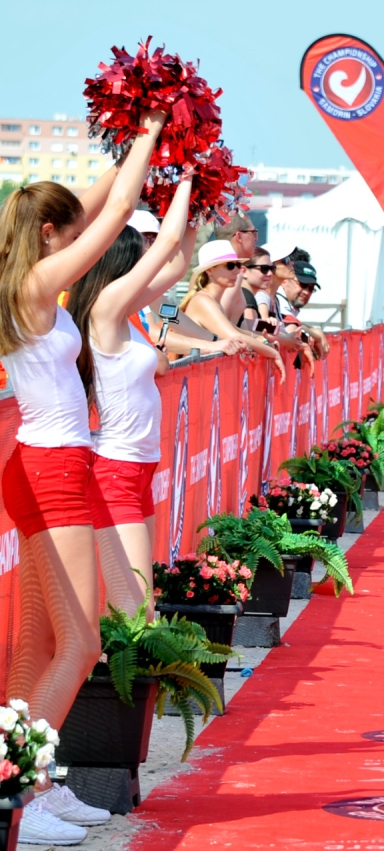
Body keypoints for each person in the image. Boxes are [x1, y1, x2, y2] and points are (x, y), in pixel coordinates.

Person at [0, 110, 167, 845]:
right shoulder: (38, 281)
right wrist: (153, 125)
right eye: (69, 231)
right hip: (55, 467)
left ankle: (27, 783)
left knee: (39, 641)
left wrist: (146, 146)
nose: (81, 239)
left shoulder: (29, 275)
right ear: (47, 235)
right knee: (79, 643)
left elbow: (103, 201)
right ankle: (22, 792)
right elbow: (121, 208)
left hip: (44, 462)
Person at [68, 176, 215, 621]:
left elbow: (176, 263)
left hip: (138, 467)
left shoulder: (127, 316)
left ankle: (122, 683)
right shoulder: (105, 312)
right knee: (135, 606)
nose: (146, 268)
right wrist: (188, 175)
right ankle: (121, 686)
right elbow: (166, 246)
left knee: (131, 602)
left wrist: (200, 207)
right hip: (114, 470)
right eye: (138, 259)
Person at [180, 240, 286, 383]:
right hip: (196, 381)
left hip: (204, 379)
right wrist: (273, 353)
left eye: (237, 265)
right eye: (230, 266)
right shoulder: (203, 301)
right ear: (209, 270)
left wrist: (264, 339)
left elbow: (236, 330)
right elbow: (234, 335)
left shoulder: (212, 301)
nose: (237, 270)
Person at [274, 259, 329, 362]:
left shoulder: (284, 303)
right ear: (285, 281)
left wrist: (312, 331)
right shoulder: (279, 300)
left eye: (311, 288)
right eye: (302, 284)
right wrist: (316, 334)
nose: (306, 292)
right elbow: (293, 332)